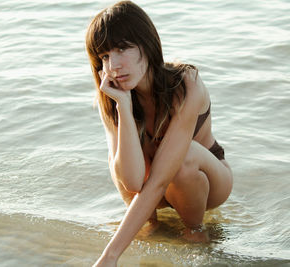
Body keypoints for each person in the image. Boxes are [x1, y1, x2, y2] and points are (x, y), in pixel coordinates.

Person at [85, 1, 233, 266]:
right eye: (105, 56)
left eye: (122, 49)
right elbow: (130, 181)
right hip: (152, 183)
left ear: (147, 44)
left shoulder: (185, 84)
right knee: (116, 160)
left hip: (206, 182)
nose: (114, 65)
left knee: (182, 158)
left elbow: (161, 179)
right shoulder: (111, 99)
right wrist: (124, 109)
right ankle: (149, 222)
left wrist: (110, 256)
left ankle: (196, 231)